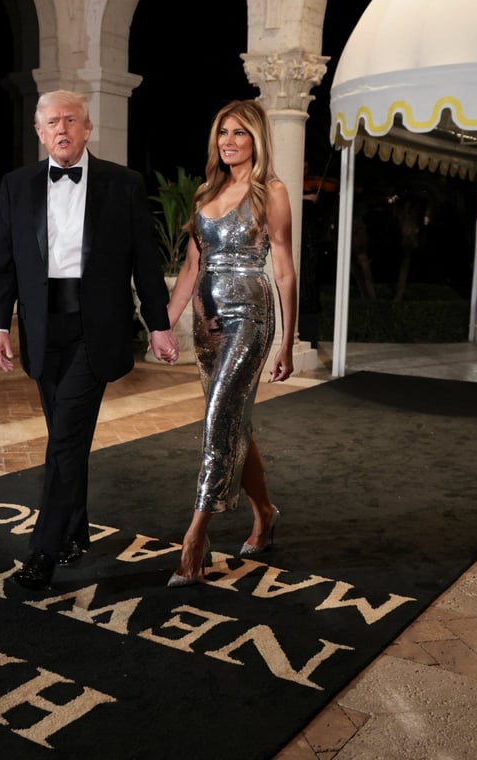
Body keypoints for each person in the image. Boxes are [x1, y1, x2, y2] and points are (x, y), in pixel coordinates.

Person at [0, 89, 178, 591]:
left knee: (66, 439)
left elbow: (146, 262)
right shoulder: (16, 185)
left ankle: (43, 550)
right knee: (65, 439)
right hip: (42, 331)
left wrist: (158, 323)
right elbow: (2, 264)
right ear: (40, 132)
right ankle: (75, 532)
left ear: (87, 129)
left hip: (97, 331)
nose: (61, 129)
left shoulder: (124, 184)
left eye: (70, 120)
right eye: (51, 122)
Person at [163, 99, 298, 587]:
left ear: (256, 139)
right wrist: (164, 323)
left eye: (240, 133)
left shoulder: (271, 192)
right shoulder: (206, 192)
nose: (229, 141)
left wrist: (287, 340)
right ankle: (264, 512)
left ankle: (196, 534)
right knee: (235, 421)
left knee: (219, 419)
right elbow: (190, 269)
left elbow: (283, 268)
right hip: (207, 322)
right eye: (223, 132)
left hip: (250, 317)